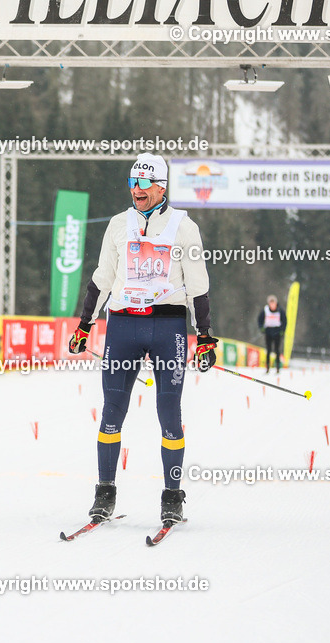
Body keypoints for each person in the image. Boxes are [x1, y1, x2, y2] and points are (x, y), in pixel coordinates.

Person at [68, 153, 216, 527]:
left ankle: (172, 496)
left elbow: (198, 286)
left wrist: (205, 337)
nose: (137, 190)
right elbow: (102, 277)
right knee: (112, 412)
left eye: (145, 184)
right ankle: (105, 492)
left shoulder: (185, 228)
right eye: (133, 182)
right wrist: (85, 324)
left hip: (168, 328)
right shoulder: (118, 225)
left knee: (169, 414)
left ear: (161, 187)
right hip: (123, 326)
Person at [257, 294, 287, 373]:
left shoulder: (280, 310)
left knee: (277, 350)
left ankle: (277, 367)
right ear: (269, 304)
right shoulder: (265, 310)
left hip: (277, 331)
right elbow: (259, 319)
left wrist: (282, 330)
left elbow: (284, 321)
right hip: (268, 331)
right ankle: (267, 367)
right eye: (271, 303)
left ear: (276, 303)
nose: (272, 305)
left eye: (273, 303)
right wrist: (261, 328)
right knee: (268, 350)